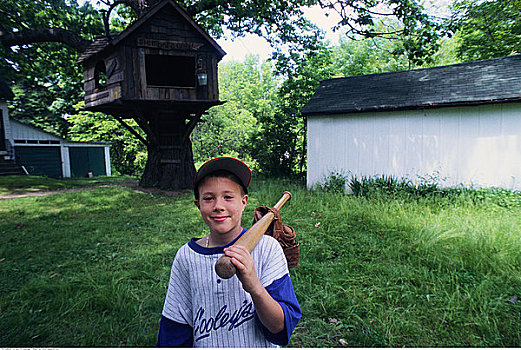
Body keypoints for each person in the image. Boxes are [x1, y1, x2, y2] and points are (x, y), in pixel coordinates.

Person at [157, 157, 302, 347]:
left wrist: (255, 287)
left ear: (244, 202)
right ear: (198, 204)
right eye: (208, 198)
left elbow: (280, 328)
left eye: (228, 197)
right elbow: (175, 329)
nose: (218, 206)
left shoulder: (267, 248)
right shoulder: (186, 257)